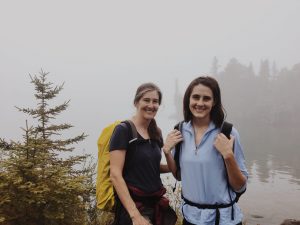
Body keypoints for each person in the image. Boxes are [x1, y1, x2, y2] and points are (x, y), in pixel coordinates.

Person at [162, 76, 248, 225]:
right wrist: (167, 152)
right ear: (188, 99)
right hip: (190, 218)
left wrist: (228, 156)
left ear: (214, 102)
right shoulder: (180, 131)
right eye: (195, 97)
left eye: (206, 98)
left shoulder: (228, 133)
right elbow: (180, 176)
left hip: (223, 220)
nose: (200, 103)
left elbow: (240, 186)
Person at [109, 83, 176, 225]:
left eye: (155, 101)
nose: (151, 105)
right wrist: (135, 216)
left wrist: (174, 162)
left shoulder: (156, 132)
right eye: (146, 100)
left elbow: (151, 167)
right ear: (136, 102)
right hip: (133, 207)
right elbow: (115, 174)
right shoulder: (123, 130)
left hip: (155, 205)